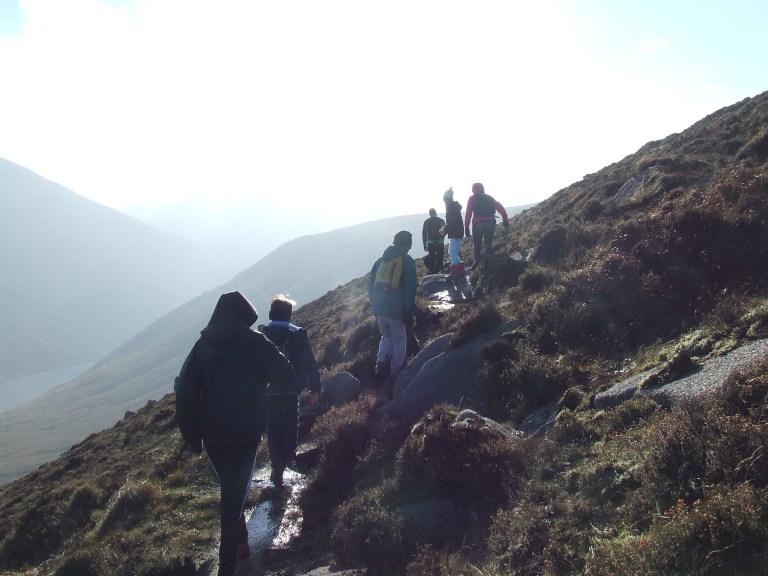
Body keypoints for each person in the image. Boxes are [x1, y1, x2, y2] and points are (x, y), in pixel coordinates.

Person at [174, 291, 294, 576]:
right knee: (231, 501)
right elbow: (285, 375)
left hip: (212, 435)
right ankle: (227, 569)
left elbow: (185, 391)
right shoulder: (255, 342)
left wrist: (192, 437)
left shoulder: (202, 346)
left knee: (231, 490)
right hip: (244, 432)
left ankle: (241, 544)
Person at [260, 294, 321, 488]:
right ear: (289, 315)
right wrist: (315, 389)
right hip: (291, 389)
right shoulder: (297, 335)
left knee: (274, 428)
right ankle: (289, 458)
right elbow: (310, 364)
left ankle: (276, 469)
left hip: (268, 391)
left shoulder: (262, 335)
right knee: (290, 424)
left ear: (271, 313)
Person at [368, 230, 417, 398]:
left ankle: (380, 363)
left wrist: (375, 306)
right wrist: (408, 309)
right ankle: (395, 373)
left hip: (379, 309)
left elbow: (370, 286)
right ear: (407, 245)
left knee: (385, 336)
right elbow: (410, 287)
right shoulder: (407, 261)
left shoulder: (379, 261)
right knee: (398, 339)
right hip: (396, 310)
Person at [464, 182, 510, 271]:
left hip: (478, 224)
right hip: (490, 223)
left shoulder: (472, 198)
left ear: (473, 190)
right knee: (487, 243)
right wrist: (504, 219)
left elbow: (468, 213)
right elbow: (500, 207)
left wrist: (466, 227)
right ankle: (488, 260)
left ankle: (477, 260)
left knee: (477, 243)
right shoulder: (489, 198)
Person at [440, 187, 466, 278]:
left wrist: (444, 229)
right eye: (444, 199)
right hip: (458, 232)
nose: (445, 201)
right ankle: (461, 270)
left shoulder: (451, 208)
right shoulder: (454, 207)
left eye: (446, 199)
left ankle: (455, 272)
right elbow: (452, 222)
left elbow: (451, 222)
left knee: (453, 252)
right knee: (453, 251)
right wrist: (445, 228)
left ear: (450, 199)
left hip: (454, 233)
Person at [422, 208, 446, 274]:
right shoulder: (441, 220)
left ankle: (431, 271)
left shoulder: (427, 222)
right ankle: (441, 270)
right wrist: (442, 238)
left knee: (432, 258)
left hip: (430, 242)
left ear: (429, 214)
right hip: (440, 242)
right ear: (436, 213)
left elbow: (424, 233)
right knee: (440, 257)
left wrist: (424, 244)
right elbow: (445, 230)